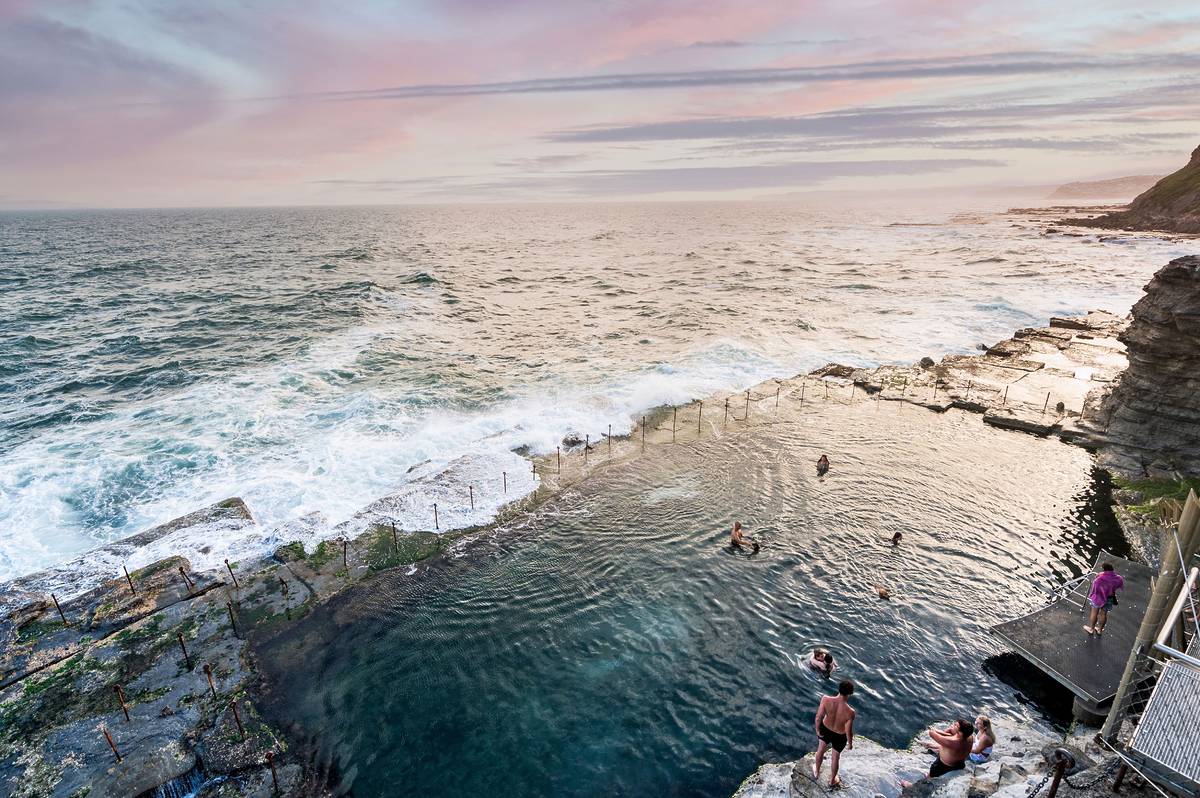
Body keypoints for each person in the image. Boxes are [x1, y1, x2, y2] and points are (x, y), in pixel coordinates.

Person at [813, 680, 855, 789]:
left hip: (826, 729)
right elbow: (848, 731)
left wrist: (818, 730)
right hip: (839, 736)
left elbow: (818, 717)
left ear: (839, 689)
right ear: (850, 694)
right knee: (835, 758)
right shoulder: (850, 712)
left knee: (820, 750)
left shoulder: (826, 699)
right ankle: (832, 781)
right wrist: (850, 744)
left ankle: (817, 771)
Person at [1085, 562, 1124, 635]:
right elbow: (1119, 585)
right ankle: (1099, 630)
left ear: (1104, 570)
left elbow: (1095, 591)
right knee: (1104, 614)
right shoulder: (1118, 578)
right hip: (1109, 598)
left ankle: (1091, 629)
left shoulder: (1099, 580)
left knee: (1094, 613)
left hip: (1098, 598)